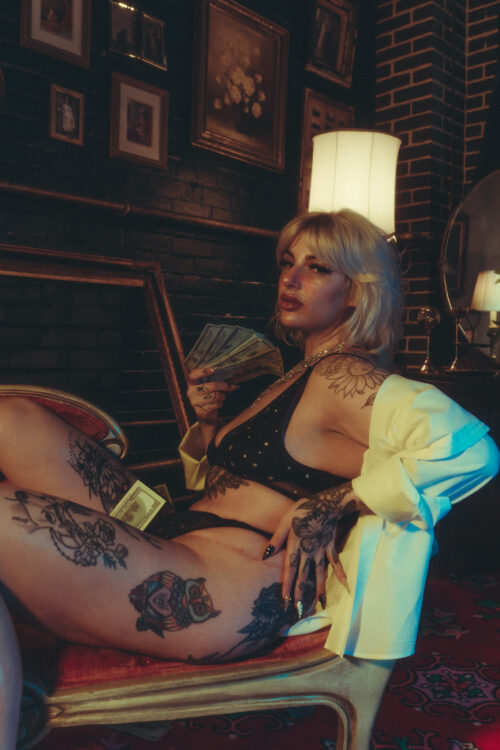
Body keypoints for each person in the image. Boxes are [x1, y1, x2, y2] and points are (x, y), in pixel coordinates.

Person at [0, 210, 497, 748]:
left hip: (225, 582)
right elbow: (240, 480)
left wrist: (335, 501)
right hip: (178, 530)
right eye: (288, 262)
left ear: (356, 292)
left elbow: (474, 451)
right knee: (13, 418)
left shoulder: (342, 374)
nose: (291, 278)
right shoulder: (294, 372)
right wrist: (209, 424)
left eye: (317, 268)